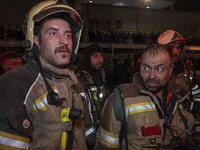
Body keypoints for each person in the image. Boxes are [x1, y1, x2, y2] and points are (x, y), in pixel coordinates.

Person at [0, 0, 87, 149]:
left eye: (68, 35)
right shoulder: (15, 84)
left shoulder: (73, 81)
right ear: (35, 40)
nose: (64, 41)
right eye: (53, 33)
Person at [96, 44, 196, 150]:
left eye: (159, 69)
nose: (151, 75)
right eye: (146, 68)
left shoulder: (181, 98)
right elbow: (106, 146)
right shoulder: (120, 100)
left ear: (171, 70)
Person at [75, 43, 110, 149]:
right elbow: (83, 114)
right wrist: (93, 140)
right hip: (89, 139)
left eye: (101, 56)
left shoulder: (99, 75)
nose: (100, 59)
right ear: (87, 58)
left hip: (100, 132)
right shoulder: (79, 79)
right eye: (96, 56)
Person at [157, 30, 200, 117]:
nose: (176, 52)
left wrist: (197, 104)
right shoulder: (153, 74)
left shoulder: (188, 73)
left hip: (184, 123)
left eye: (178, 48)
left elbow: (197, 92)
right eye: (171, 48)